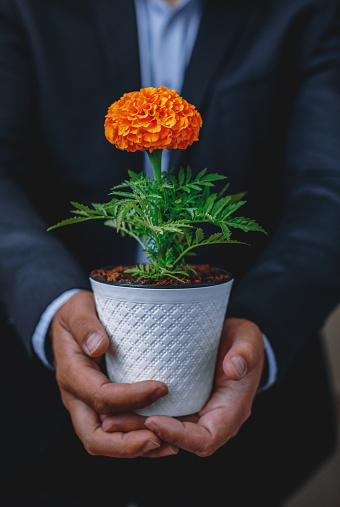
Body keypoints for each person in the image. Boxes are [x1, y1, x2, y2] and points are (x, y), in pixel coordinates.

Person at [0, 0, 339, 505]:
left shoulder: (311, 9)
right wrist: (52, 307)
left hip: (246, 438)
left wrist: (258, 331)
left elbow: (329, 188)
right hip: (36, 430)